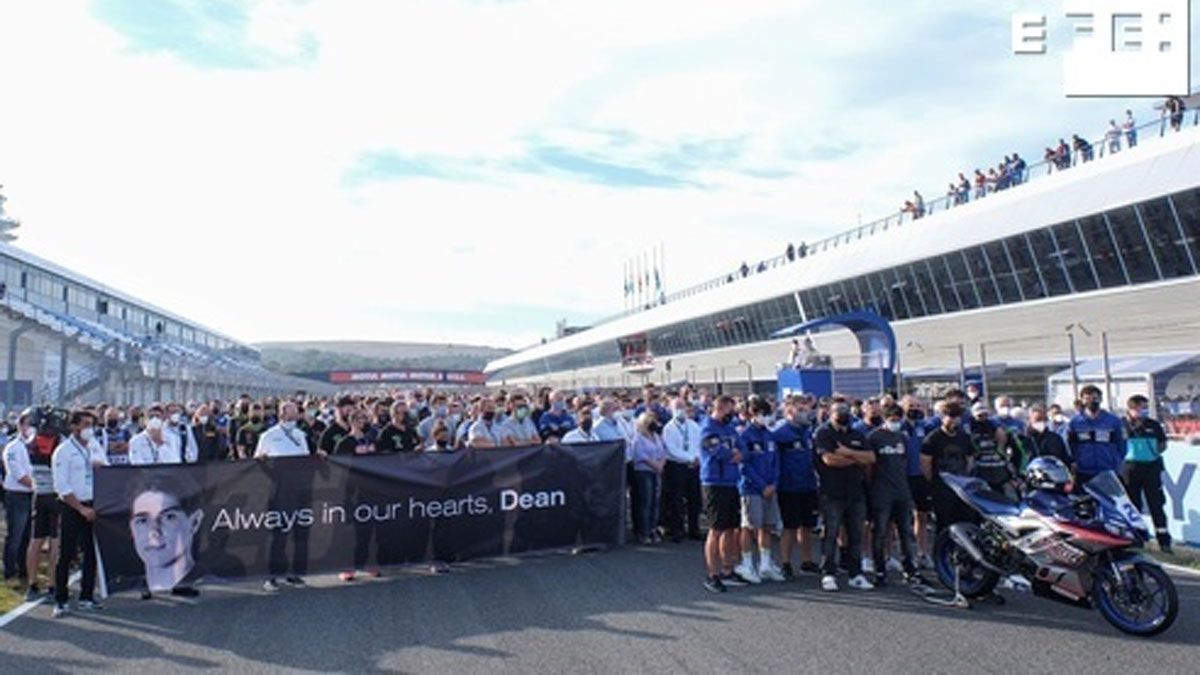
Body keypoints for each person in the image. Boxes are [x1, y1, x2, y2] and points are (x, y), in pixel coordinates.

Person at [255, 402, 322, 592]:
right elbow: (258, 460)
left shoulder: (302, 435)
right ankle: (272, 576)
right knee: (279, 534)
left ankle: (295, 573)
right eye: (291, 410)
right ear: (282, 413)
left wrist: (319, 456)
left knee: (300, 533)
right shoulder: (268, 436)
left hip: (301, 490)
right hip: (280, 491)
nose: (295, 414)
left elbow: (309, 458)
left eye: (296, 411)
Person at [814, 402, 875, 592]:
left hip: (856, 491)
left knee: (856, 534)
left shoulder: (856, 434)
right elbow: (829, 460)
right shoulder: (823, 433)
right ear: (830, 414)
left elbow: (871, 458)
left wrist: (847, 453)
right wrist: (857, 459)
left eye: (846, 412)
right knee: (831, 533)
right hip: (832, 492)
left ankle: (855, 573)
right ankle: (828, 573)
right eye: (839, 412)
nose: (843, 415)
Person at [51, 410, 107, 618]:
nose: (88, 429)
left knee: (91, 553)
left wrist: (99, 466)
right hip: (72, 506)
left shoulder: (94, 446)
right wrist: (81, 508)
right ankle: (61, 599)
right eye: (84, 424)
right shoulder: (63, 451)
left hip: (93, 505)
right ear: (74, 427)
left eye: (91, 424)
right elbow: (61, 485)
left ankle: (86, 596)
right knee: (66, 553)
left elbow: (107, 467)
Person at [866, 405, 926, 587]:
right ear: (885, 419)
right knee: (881, 531)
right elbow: (869, 466)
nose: (895, 422)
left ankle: (910, 569)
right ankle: (880, 569)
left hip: (901, 490)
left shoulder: (902, 437)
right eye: (892, 419)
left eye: (898, 419)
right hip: (881, 491)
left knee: (905, 532)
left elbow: (905, 460)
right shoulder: (874, 437)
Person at [127, 472, 205, 594]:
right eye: (142, 520)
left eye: (169, 517)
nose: (154, 531)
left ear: (194, 522)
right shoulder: (125, 589)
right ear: (131, 528)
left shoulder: (214, 584)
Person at [734, 397, 784, 583]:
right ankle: (747, 563)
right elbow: (744, 465)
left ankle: (765, 563)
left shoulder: (769, 435)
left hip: (770, 487)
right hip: (751, 488)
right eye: (763, 414)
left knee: (767, 525)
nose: (766, 418)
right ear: (753, 415)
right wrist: (762, 485)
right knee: (749, 526)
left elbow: (776, 462)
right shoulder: (745, 436)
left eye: (768, 414)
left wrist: (773, 484)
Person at [772, 397, 820, 579]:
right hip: (788, 486)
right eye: (800, 409)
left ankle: (806, 561)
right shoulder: (780, 433)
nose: (805, 413)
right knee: (790, 526)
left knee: (807, 525)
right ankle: (785, 563)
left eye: (806, 409)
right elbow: (773, 461)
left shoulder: (808, 432)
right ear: (790, 412)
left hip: (808, 484)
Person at [700, 395, 743, 593]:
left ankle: (728, 570)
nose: (731, 414)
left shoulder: (730, 427)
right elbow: (717, 451)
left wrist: (738, 454)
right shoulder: (708, 427)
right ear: (719, 408)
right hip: (714, 482)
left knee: (730, 528)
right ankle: (712, 574)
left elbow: (743, 449)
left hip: (731, 481)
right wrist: (731, 454)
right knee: (716, 529)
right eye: (728, 410)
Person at [1122, 395, 1171, 553]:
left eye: (1145, 408)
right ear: (1131, 409)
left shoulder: (1153, 425)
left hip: (1151, 469)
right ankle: (1136, 540)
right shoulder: (1121, 425)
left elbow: (1163, 444)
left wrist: (1151, 453)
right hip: (1130, 469)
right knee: (1133, 506)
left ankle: (1164, 542)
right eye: (1140, 408)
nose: (1143, 411)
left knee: (1156, 505)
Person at [921, 401, 976, 534]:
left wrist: (963, 477)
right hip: (942, 488)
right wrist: (935, 481)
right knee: (944, 524)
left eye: (957, 417)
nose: (954, 421)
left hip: (962, 488)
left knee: (965, 521)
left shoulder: (964, 437)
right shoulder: (932, 438)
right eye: (951, 416)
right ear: (942, 417)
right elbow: (925, 464)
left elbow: (970, 459)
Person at [660, 399, 702, 543]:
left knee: (694, 499)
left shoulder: (694, 426)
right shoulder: (669, 428)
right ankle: (677, 530)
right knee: (676, 499)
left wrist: (696, 458)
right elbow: (671, 449)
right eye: (677, 407)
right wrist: (689, 458)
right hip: (677, 466)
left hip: (693, 466)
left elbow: (699, 444)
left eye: (682, 407)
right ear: (671, 409)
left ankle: (694, 529)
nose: (680, 410)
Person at [1067, 385, 1124, 484]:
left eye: (1094, 398)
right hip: (1083, 472)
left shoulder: (1113, 421)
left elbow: (1122, 443)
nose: (1091, 401)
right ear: (1082, 400)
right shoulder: (1074, 423)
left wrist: (1116, 462)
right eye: (1087, 399)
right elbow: (1069, 445)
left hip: (1108, 471)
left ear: (1100, 399)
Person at [2, 410, 35, 583]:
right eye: (28, 425)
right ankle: (9, 571)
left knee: (27, 536)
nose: (31, 429)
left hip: (31, 497)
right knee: (15, 535)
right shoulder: (13, 447)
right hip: (17, 496)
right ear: (21, 426)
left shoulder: (34, 447)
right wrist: (38, 486)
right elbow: (19, 475)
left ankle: (23, 569)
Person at [630, 413, 667, 545]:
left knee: (655, 502)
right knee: (645, 502)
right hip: (644, 471)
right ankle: (643, 532)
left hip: (656, 471)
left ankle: (653, 529)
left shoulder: (656, 436)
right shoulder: (638, 438)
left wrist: (661, 463)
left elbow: (663, 451)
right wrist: (655, 465)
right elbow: (639, 455)